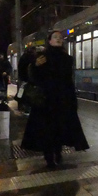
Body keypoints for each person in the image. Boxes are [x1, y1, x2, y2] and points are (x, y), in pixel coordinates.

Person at [21, 30, 89, 167]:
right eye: (55, 37)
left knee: (59, 128)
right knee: (47, 129)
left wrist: (72, 100)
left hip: (63, 98)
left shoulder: (67, 58)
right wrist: (35, 66)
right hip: (46, 99)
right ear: (50, 41)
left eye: (60, 37)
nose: (58, 39)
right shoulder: (41, 57)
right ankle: (49, 157)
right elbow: (31, 76)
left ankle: (57, 153)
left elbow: (68, 80)